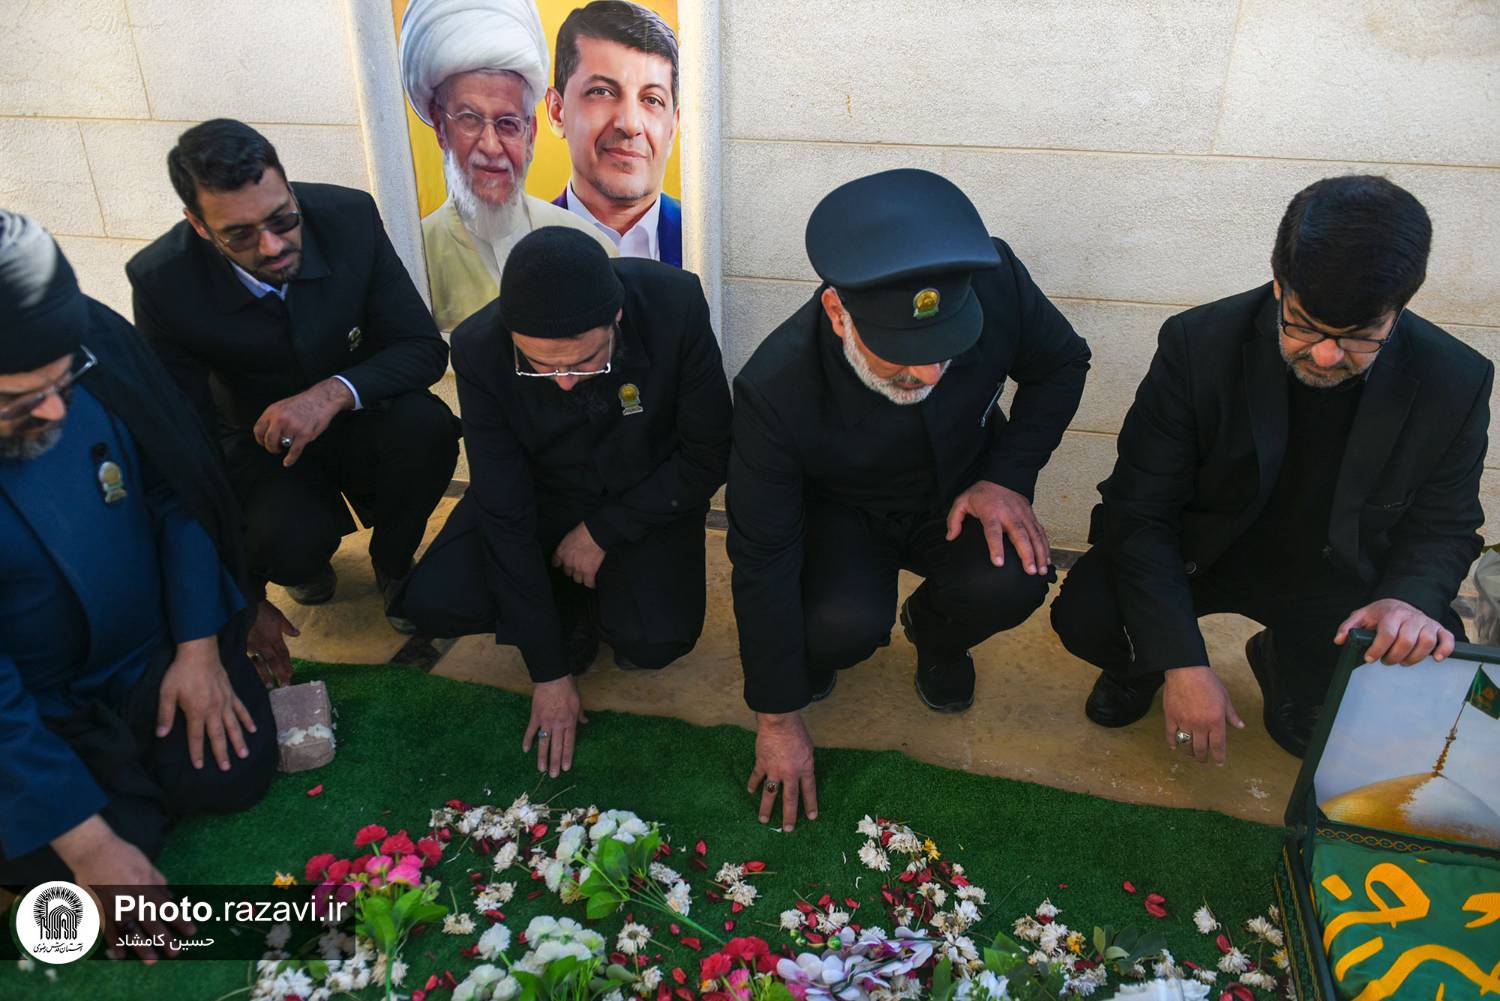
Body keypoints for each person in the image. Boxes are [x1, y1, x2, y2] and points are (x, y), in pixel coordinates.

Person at [1051, 175, 1491, 763]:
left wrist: (1408, 599)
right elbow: (1139, 510)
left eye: (1361, 337)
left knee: (1414, 672)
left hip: (1338, 573)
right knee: (1088, 616)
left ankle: (1293, 662)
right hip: (1201, 552)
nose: (1327, 354)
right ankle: (1144, 666)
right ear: (1280, 281)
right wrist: (1180, 660)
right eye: (1304, 325)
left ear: (1399, 308)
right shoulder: (1197, 343)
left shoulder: (1456, 378)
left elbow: (1447, 523)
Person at [729, 169, 1091, 831]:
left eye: (946, 347)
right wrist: (777, 718)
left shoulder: (997, 275)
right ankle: (825, 650)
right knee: (834, 626)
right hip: (846, 513)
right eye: (900, 355)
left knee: (1015, 575)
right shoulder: (771, 389)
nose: (927, 373)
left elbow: (1063, 363)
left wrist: (1008, 476)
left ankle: (936, 633)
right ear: (838, 310)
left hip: (965, 490)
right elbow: (761, 558)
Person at [0, 213, 275, 958]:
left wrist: (196, 649)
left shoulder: (92, 339)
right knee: (100, 849)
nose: (56, 409)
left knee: (232, 774)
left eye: (64, 381)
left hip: (147, 651)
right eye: (21, 401)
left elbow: (174, 488)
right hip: (33, 707)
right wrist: (88, 845)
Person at [398, 227, 730, 778]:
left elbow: (708, 453)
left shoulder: (676, 305)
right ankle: (564, 611)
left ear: (616, 320)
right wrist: (548, 674)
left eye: (583, 363)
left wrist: (604, 531)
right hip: (541, 496)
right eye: (542, 367)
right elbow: (503, 506)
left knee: (655, 643)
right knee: (434, 602)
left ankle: (586, 600)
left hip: (642, 496)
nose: (566, 384)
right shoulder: (479, 347)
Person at [126, 119, 459, 646]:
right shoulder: (160, 279)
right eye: (239, 234)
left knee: (430, 427)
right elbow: (181, 437)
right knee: (286, 543)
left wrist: (331, 393)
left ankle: (393, 562)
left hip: (359, 414)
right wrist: (242, 597)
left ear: (287, 185)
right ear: (196, 224)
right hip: (259, 444)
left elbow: (421, 348)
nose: (274, 245)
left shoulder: (348, 215)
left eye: (283, 219)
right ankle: (301, 561)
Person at [399, 0, 617, 333]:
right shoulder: (412, 261)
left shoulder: (591, 245)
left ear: (531, 134)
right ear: (441, 128)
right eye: (470, 119)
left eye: (507, 123)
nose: (490, 146)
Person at [547, 1, 682, 267]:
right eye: (602, 92)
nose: (630, 124)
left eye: (652, 100)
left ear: (673, 127)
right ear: (556, 111)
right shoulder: (511, 249)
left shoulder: (714, 248)